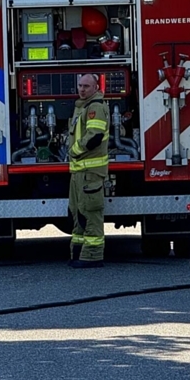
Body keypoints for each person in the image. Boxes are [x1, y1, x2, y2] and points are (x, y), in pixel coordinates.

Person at [67, 74, 110, 268]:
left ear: (95, 88)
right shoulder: (82, 107)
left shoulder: (95, 107)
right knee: (78, 214)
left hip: (90, 172)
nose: (82, 89)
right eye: (80, 85)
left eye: (86, 86)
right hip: (79, 172)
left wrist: (73, 151)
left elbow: (94, 137)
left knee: (91, 214)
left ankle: (93, 256)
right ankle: (78, 254)